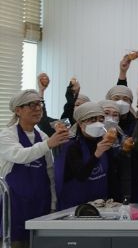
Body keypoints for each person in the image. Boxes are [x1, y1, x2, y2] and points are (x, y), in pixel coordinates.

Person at [0, 90, 68, 248]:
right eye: (32, 105)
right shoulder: (7, 135)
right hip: (14, 207)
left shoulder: (43, 136)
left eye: (40, 104)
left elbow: (49, 173)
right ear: (18, 110)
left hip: (40, 206)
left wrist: (53, 204)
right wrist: (48, 145)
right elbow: (20, 155)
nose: (38, 109)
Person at [54, 102, 126, 210]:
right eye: (92, 120)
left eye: (101, 120)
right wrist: (97, 154)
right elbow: (81, 175)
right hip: (75, 208)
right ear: (80, 123)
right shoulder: (71, 146)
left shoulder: (106, 142)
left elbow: (112, 177)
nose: (97, 123)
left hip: (100, 205)